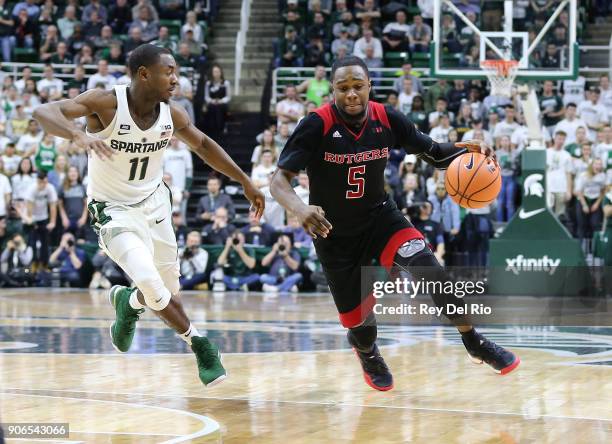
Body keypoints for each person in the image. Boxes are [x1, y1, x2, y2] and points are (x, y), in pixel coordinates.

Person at [270, 56, 519, 391]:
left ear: (369, 86)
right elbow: (278, 181)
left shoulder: (386, 118)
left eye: (358, 86)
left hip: (381, 218)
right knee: (360, 326)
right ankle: (368, 352)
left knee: (431, 270)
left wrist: (464, 151)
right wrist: (300, 209)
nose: (351, 94)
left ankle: (474, 340)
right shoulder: (317, 124)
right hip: (334, 234)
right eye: (343, 88)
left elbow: (432, 151)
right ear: (332, 90)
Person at [32, 44, 265, 387]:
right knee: (152, 282)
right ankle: (201, 345)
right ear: (144, 74)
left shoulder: (173, 115)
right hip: (113, 210)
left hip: (155, 206)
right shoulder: (105, 103)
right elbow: (43, 110)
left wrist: (244, 180)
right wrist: (77, 134)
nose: (175, 78)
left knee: (166, 291)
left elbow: (203, 146)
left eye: (175, 72)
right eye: (168, 71)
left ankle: (129, 303)